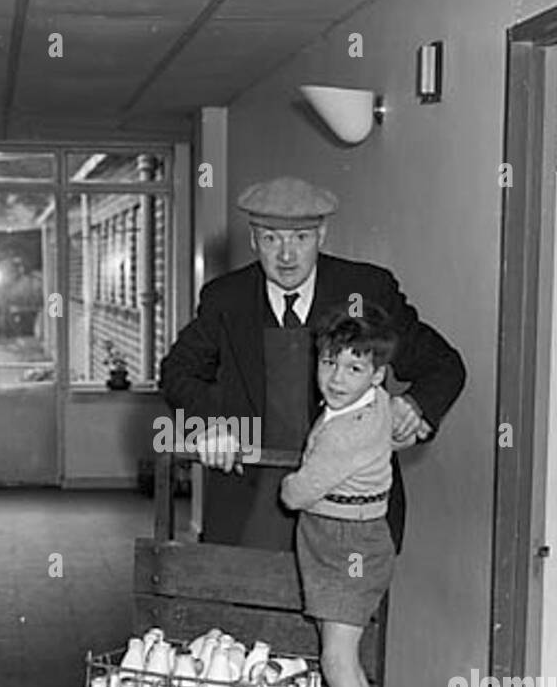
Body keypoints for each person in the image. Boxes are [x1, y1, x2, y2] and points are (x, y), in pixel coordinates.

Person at [159, 177, 465, 554]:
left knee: (340, 611)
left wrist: (414, 406)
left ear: (322, 235)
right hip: (250, 499)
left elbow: (444, 364)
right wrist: (210, 425)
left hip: (346, 509)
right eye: (271, 239)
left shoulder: (365, 291)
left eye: (300, 238)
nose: (286, 256)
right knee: (247, 607)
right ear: (254, 240)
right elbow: (177, 372)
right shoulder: (227, 298)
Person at [279, 312, 398, 687]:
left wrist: (289, 484)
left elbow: (297, 492)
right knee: (345, 658)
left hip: (348, 545)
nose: (336, 377)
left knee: (337, 659)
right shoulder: (379, 403)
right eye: (330, 362)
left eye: (354, 368)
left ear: (376, 375)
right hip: (349, 536)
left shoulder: (344, 434)